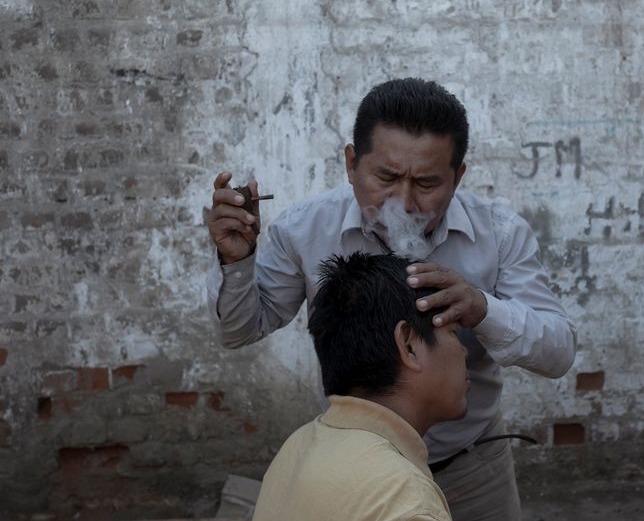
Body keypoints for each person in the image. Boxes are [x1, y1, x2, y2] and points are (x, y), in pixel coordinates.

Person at [207, 77, 577, 520]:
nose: (403, 203)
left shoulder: (499, 235)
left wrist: (482, 308)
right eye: (385, 177)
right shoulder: (305, 232)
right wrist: (236, 261)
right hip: (357, 471)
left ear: (458, 176)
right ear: (350, 163)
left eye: (426, 183)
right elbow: (238, 330)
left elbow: (558, 352)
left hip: (472, 467)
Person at [252, 252, 464, 520]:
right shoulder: (405, 499)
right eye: (454, 333)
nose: (465, 352)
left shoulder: (299, 444)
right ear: (409, 344)